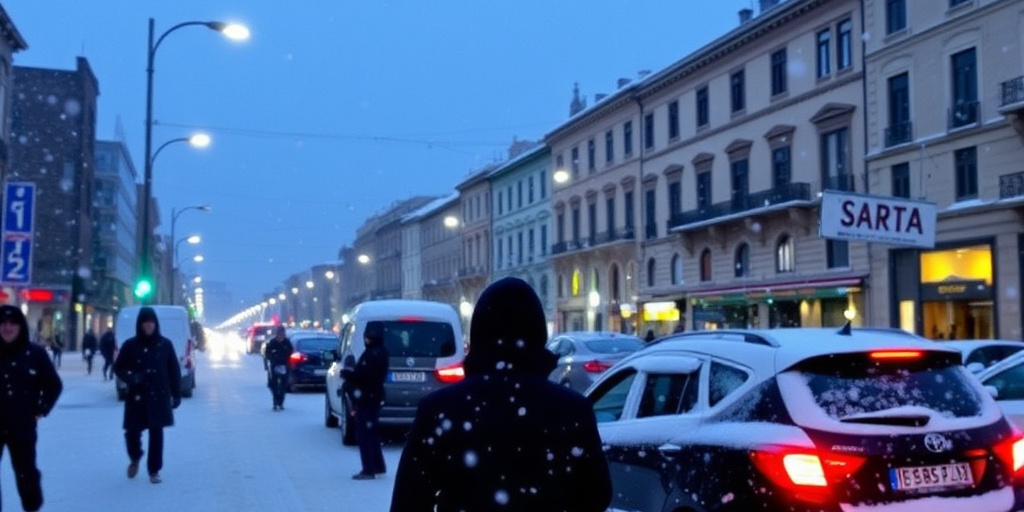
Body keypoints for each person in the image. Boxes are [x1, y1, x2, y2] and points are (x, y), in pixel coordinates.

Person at [390, 277, 611, 511]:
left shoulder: (439, 409)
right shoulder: (572, 409)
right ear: (538, 334)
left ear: (478, 333)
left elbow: (409, 501)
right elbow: (596, 495)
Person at [0, 305, 63, 512]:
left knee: (26, 473)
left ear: (20, 327)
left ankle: (32, 508)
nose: (7, 328)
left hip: (22, 426)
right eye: (3, 323)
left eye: (12, 323)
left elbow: (54, 385)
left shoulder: (34, 354)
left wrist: (40, 409)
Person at [113, 307, 182, 484]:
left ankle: (154, 470)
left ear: (156, 324)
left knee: (156, 432)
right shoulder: (130, 345)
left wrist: (176, 393)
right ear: (140, 325)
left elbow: (174, 370)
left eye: (151, 322)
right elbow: (119, 367)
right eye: (145, 322)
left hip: (158, 395)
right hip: (137, 396)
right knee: (132, 431)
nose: (148, 326)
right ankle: (135, 456)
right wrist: (131, 377)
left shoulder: (165, 345)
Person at [343, 321, 389, 480]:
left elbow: (364, 375)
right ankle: (378, 465)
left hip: (367, 397)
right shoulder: (381, 352)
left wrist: (347, 374)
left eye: (368, 337)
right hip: (374, 396)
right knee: (372, 433)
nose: (366, 339)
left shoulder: (372, 354)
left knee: (364, 433)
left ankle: (368, 469)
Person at [263, 325, 293, 411]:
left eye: (282, 334)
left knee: (283, 385)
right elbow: (267, 353)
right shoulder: (272, 342)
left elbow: (290, 351)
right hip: (274, 365)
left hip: (284, 365)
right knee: (274, 385)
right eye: (279, 334)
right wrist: (272, 357)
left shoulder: (287, 342)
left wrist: (285, 356)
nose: (280, 336)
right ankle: (275, 401)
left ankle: (281, 402)